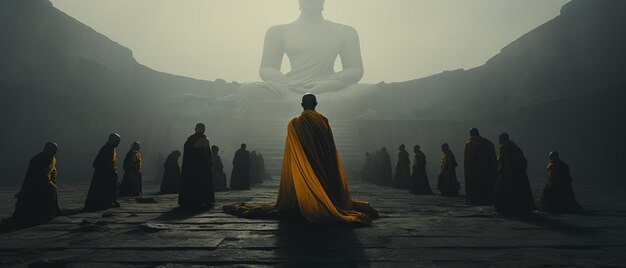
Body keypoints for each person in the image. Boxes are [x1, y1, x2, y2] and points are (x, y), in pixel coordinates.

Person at [224, 94, 378, 224]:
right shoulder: (323, 120)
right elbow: (329, 147)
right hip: (323, 164)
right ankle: (325, 199)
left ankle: (304, 200)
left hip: (304, 164)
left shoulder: (295, 123)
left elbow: (294, 153)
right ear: (316, 104)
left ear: (302, 104)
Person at [12, 142, 61, 225]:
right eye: (54, 150)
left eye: (56, 150)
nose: (55, 152)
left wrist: (52, 182)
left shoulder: (52, 158)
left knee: (52, 189)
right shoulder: (37, 159)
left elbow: (53, 171)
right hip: (36, 183)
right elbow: (33, 174)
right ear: (47, 149)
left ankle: (50, 213)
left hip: (47, 182)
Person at [494, 133, 535, 217]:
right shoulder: (516, 148)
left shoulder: (503, 149)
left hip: (507, 175)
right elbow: (524, 161)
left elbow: (503, 164)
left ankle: (508, 208)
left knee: (506, 192)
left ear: (502, 140)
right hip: (519, 175)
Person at [179, 123, 215, 209]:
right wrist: (210, 163)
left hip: (190, 166)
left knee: (191, 181)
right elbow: (206, 153)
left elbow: (186, 154)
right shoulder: (204, 139)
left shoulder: (189, 139)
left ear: (195, 129)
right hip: (201, 165)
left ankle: (190, 199)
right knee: (202, 181)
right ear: (203, 130)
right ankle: (203, 199)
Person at [84, 133, 121, 212]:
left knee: (112, 187)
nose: (118, 143)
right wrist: (108, 171)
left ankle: (110, 201)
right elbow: (98, 162)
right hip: (103, 173)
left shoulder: (111, 149)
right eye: (117, 141)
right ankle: (104, 203)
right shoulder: (106, 149)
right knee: (103, 188)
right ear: (112, 140)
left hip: (110, 172)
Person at [464, 128, 498, 205]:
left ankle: (474, 199)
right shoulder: (487, 142)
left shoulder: (470, 144)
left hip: (475, 172)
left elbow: (468, 162)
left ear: (471, 134)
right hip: (488, 171)